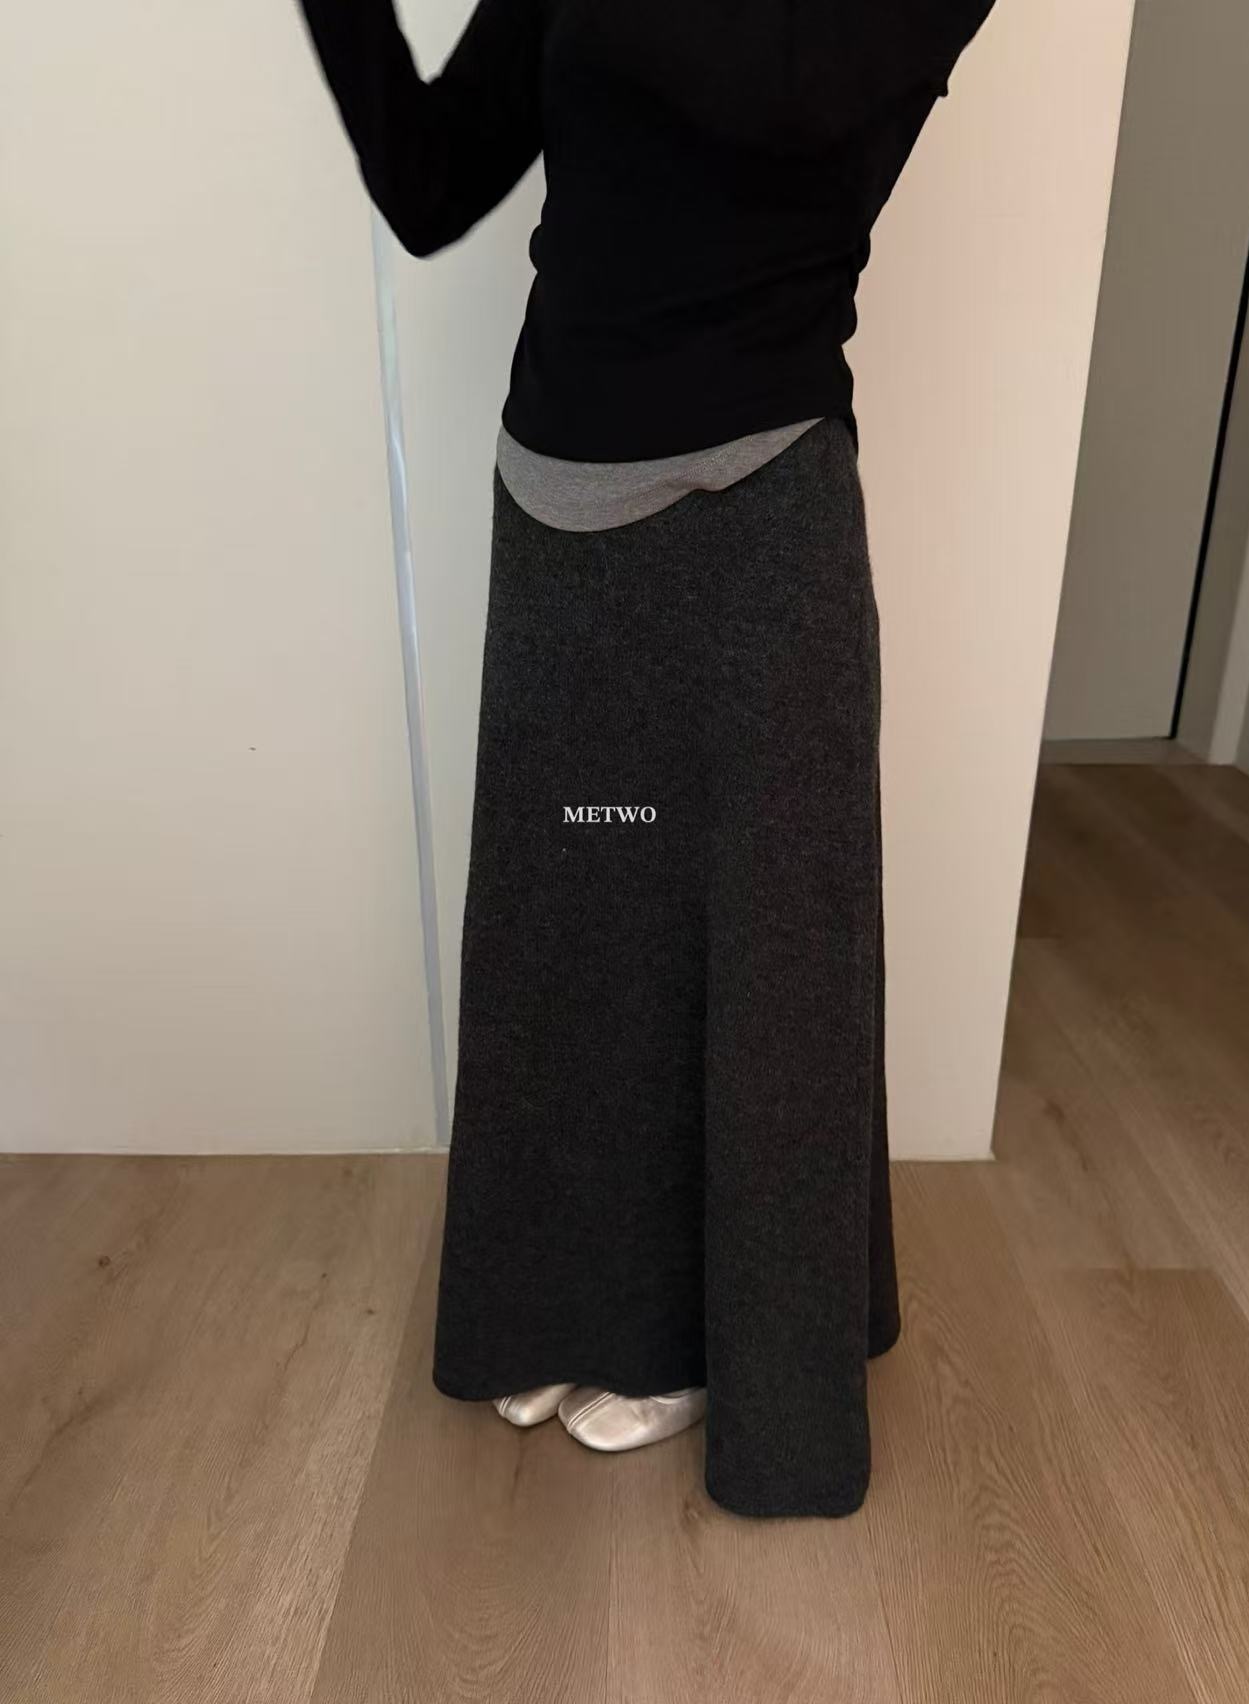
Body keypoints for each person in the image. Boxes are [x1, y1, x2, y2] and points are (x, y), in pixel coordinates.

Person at [296, 0, 998, 1519]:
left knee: (767, 962)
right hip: (554, 501)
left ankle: (710, 1342)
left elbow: (785, 97)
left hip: (757, 509)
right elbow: (431, 183)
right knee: (572, 936)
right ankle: (571, 1308)